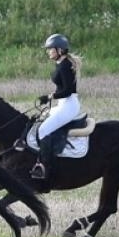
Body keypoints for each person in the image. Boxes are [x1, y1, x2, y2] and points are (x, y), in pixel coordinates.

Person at [31, 33, 81, 180]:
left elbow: (68, 91)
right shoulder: (61, 63)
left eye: (50, 49)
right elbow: (62, 89)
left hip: (69, 105)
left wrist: (50, 96)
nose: (48, 52)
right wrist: (51, 96)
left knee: (43, 130)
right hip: (64, 103)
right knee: (40, 120)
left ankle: (43, 167)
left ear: (60, 50)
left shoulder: (65, 66)